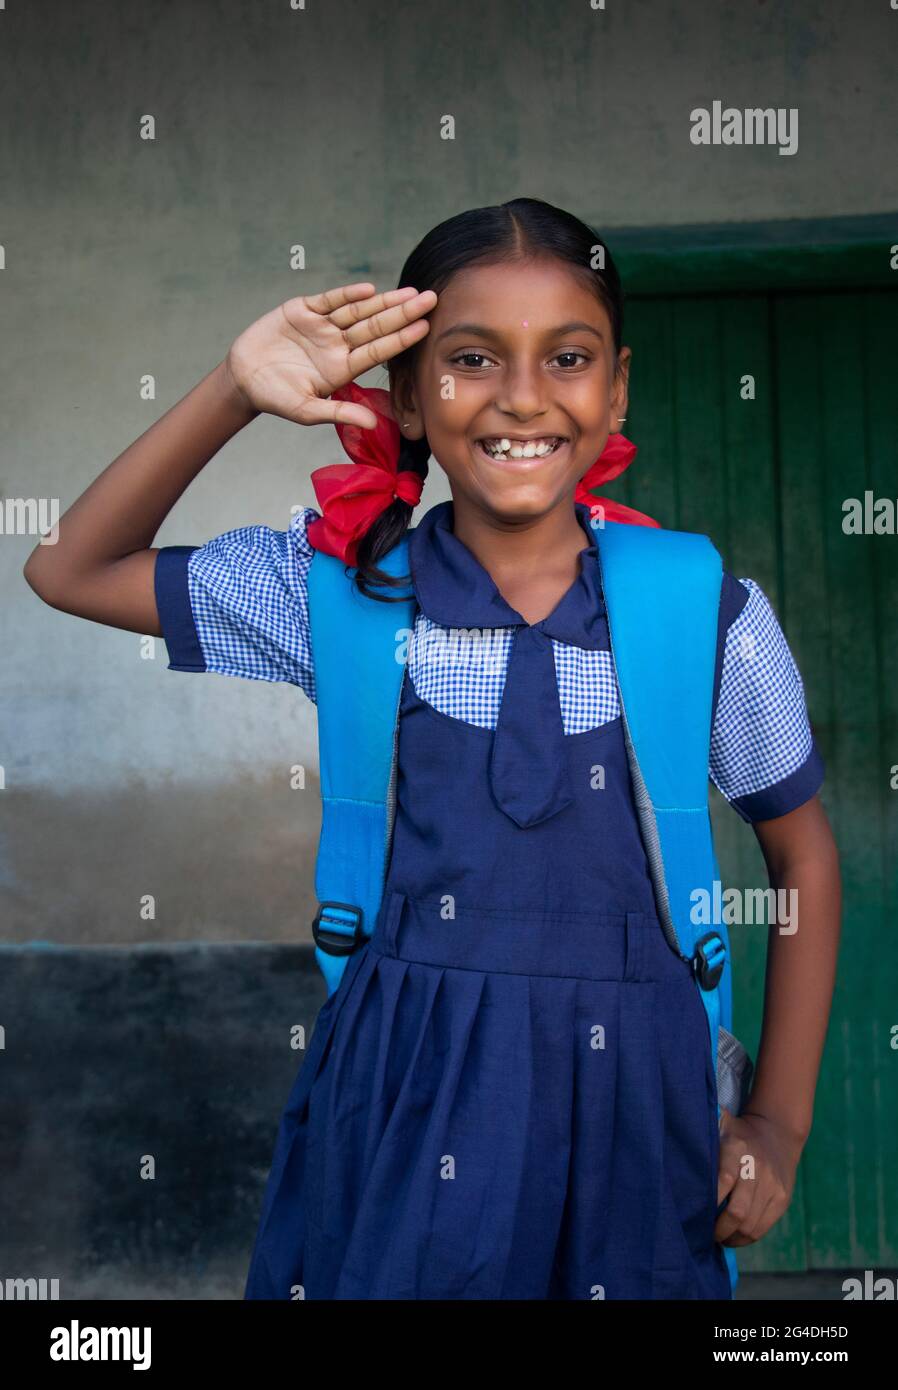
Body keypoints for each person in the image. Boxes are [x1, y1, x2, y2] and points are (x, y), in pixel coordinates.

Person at [24, 197, 841, 1301]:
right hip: (407, 1105)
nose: (520, 395)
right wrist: (234, 390)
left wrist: (779, 1123)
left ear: (618, 389)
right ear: (408, 396)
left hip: (642, 1115)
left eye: (567, 356)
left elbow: (802, 860)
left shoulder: (704, 613)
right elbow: (69, 568)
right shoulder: (342, 596)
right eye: (469, 358)